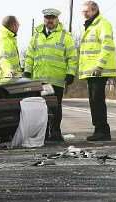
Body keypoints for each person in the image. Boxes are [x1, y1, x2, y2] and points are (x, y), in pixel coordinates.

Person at [24, 8, 78, 141]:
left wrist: (70, 73)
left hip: (56, 80)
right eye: (47, 18)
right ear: (44, 19)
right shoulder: (36, 36)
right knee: (41, 108)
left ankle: (55, 131)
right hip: (39, 80)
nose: (50, 21)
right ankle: (43, 133)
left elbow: (72, 57)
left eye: (52, 18)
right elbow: (30, 56)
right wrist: (27, 71)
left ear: (57, 19)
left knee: (56, 107)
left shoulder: (65, 37)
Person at [79, 1, 116, 141]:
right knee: (94, 101)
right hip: (93, 71)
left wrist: (100, 65)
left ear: (94, 10)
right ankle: (99, 130)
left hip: (99, 71)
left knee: (97, 100)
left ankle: (102, 131)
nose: (84, 14)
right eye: (83, 12)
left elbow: (107, 45)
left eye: (86, 11)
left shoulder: (102, 24)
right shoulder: (92, 25)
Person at [0, 16, 22, 81]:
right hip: (4, 80)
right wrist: (10, 74)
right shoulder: (5, 39)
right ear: (13, 25)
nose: (19, 25)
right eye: (18, 24)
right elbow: (3, 59)